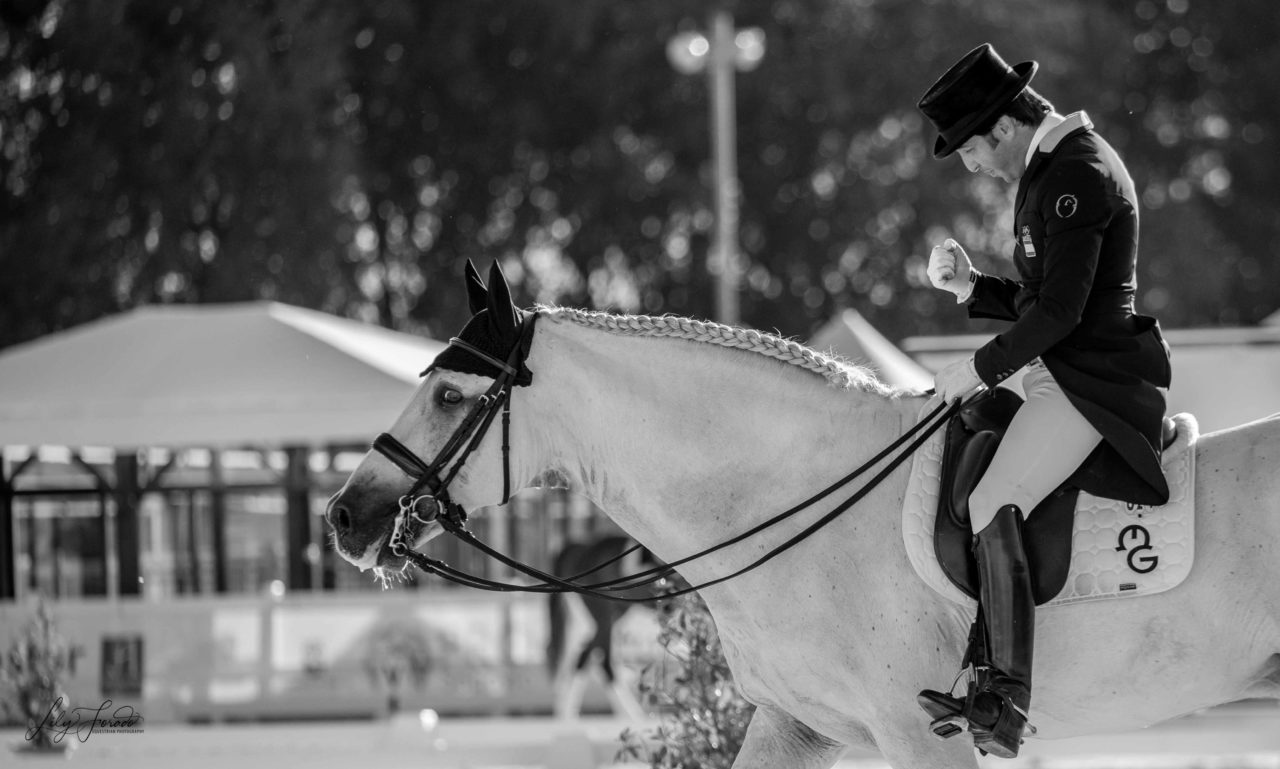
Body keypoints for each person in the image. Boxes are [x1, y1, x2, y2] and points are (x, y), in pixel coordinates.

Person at [913, 43, 1173, 758]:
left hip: (1091, 385)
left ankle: (1004, 701)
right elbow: (1042, 299)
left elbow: (1058, 316)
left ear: (1000, 127)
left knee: (995, 495)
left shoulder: (1078, 175)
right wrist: (973, 287)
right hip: (1057, 371)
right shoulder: (1052, 170)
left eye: (968, 151)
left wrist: (975, 368)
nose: (972, 167)